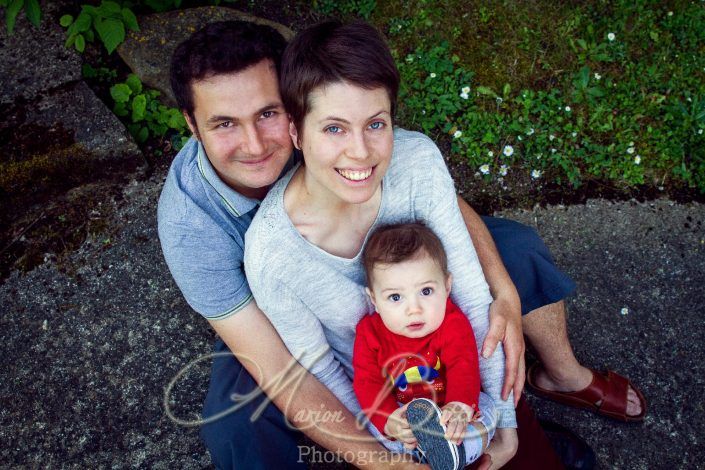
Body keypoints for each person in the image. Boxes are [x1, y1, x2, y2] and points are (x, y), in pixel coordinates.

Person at [156, 18, 632, 470]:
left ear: (290, 108)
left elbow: (425, 187)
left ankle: (557, 380)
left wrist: (502, 293)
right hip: (281, 314)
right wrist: (382, 457)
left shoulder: (350, 130)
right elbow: (290, 369)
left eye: (267, 114)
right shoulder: (197, 231)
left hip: (407, 257)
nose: (256, 144)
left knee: (513, 255)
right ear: (192, 126)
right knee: (241, 427)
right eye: (224, 124)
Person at [243, 19, 522, 466]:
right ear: (296, 131)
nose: (360, 152)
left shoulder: (417, 164)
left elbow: (471, 299)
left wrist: (504, 427)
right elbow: (322, 373)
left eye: (375, 124)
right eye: (334, 128)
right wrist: (386, 453)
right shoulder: (272, 257)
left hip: (460, 385)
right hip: (385, 407)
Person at [354, 222, 500, 469]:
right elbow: (367, 381)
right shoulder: (370, 333)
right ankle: (423, 454)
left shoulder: (452, 323)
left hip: (449, 407)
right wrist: (389, 419)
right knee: (374, 429)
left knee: (488, 410)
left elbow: (463, 365)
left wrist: (459, 406)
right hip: (403, 410)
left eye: (426, 291)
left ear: (447, 287)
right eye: (395, 297)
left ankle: (457, 452)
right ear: (374, 300)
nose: (414, 309)